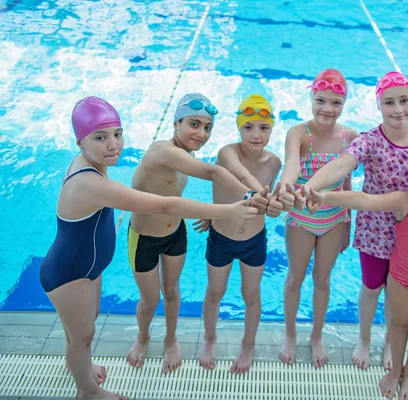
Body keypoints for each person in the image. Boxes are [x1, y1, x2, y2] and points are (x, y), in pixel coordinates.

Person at [39, 96, 257, 400]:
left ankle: (82, 367)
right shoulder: (91, 182)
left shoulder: (92, 164)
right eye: (100, 137)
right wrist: (227, 211)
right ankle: (87, 392)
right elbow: (164, 204)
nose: (113, 144)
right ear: (80, 142)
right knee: (83, 336)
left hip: (87, 267)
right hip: (70, 271)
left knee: (81, 331)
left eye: (117, 134)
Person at [302, 71, 408, 371]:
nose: (398, 109)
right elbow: (344, 163)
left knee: (397, 292)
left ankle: (391, 342)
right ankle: (364, 339)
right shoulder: (370, 140)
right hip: (376, 231)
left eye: (404, 101)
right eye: (389, 102)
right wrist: (312, 186)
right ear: (379, 106)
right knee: (371, 287)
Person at [125, 93, 270, 374]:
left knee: (171, 291)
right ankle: (142, 337)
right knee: (150, 299)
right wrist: (250, 195)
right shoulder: (161, 151)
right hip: (144, 238)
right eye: (194, 124)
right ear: (176, 122)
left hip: (175, 233)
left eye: (207, 128)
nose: (201, 133)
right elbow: (214, 172)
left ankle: (171, 339)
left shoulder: (185, 155)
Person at [307, 148, 408, 400]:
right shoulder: (406, 201)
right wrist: (325, 197)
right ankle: (395, 373)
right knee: (399, 324)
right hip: (401, 276)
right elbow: (366, 201)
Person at [275, 69, 358, 368]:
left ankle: (317, 336)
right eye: (320, 100)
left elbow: (346, 181)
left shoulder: (350, 136)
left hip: (334, 220)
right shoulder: (298, 133)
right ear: (310, 98)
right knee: (295, 278)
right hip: (300, 219)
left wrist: (348, 222)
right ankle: (289, 334)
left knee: (322, 280)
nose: (327, 109)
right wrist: (286, 186)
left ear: (344, 103)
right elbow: (292, 165)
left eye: (336, 103)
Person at [197, 94, 282, 374]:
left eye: (263, 127)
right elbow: (238, 178)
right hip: (221, 238)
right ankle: (209, 339)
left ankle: (248, 344)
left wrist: (272, 208)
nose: (256, 134)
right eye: (248, 127)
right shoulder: (227, 152)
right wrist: (263, 197)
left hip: (254, 241)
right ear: (239, 127)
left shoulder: (274, 163)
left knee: (251, 295)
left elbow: (271, 208)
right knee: (215, 292)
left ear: (271, 128)